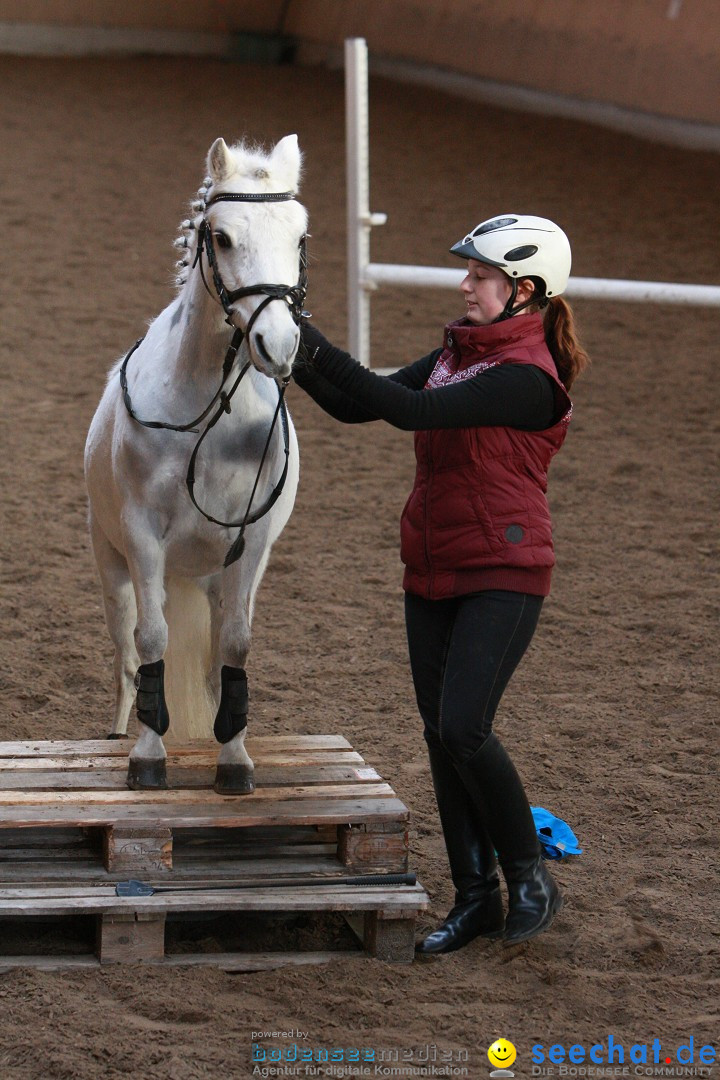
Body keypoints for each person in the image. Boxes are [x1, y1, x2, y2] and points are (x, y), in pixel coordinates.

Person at [292, 214, 589, 952]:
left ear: (525, 291)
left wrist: (305, 333)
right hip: (431, 564)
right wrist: (285, 350)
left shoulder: (526, 379)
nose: (465, 285)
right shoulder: (460, 353)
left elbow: (410, 411)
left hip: (505, 570)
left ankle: (528, 878)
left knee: (465, 727)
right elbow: (355, 405)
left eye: (480, 276)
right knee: (439, 735)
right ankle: (474, 898)